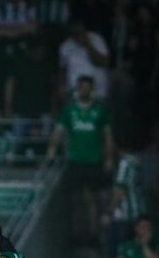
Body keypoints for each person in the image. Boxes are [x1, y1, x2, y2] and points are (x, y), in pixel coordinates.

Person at [47, 75, 114, 245]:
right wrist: (52, 149)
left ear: (92, 89)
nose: (84, 90)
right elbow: (59, 130)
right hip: (75, 160)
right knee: (75, 200)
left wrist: (108, 158)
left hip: (94, 160)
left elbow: (107, 136)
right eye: (81, 86)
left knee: (93, 199)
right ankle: (75, 236)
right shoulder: (70, 110)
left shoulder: (100, 110)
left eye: (87, 87)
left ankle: (93, 236)